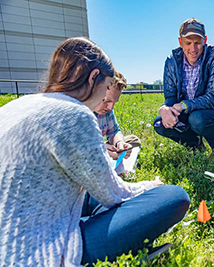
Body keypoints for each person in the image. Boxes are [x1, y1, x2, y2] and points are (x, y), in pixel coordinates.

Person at [0, 37, 190, 266]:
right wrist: (150, 186)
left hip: (15, 229)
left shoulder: (15, 106)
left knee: (93, 196)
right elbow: (114, 194)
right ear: (93, 78)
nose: (105, 97)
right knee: (174, 197)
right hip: (40, 248)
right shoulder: (74, 114)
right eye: (107, 85)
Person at [153, 18, 214, 151]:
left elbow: (213, 98)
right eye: (188, 43)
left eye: (197, 43)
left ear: (205, 40)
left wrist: (184, 105)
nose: (193, 48)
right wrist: (164, 108)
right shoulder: (171, 61)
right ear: (180, 42)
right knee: (160, 123)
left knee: (197, 118)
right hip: (186, 113)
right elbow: (171, 96)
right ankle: (195, 145)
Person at [94, 70, 141, 160]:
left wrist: (120, 143)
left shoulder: (107, 111)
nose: (110, 108)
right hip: (84, 152)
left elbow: (114, 131)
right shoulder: (79, 110)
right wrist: (99, 148)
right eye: (106, 101)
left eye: (114, 103)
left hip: (102, 148)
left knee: (133, 141)